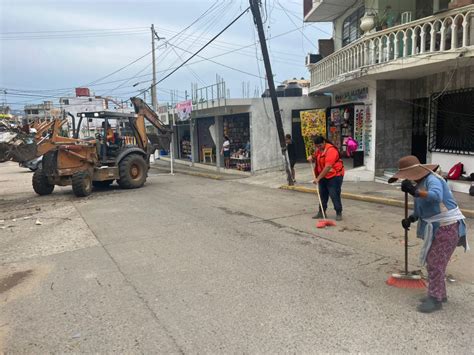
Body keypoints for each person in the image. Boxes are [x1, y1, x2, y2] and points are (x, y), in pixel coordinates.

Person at [389, 155, 467, 313]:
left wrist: (415, 192)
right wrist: (411, 218)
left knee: (435, 263)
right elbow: (421, 207)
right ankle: (439, 294)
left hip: (448, 226)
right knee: (436, 263)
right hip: (439, 227)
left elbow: (435, 196)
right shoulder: (420, 182)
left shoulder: (433, 180)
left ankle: (435, 299)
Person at [307, 135, 345, 221]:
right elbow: (315, 156)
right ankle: (321, 212)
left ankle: (339, 212)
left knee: (334, 194)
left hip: (335, 176)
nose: (318, 148)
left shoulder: (331, 150)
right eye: (317, 146)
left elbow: (328, 167)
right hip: (323, 176)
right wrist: (311, 158)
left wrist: (318, 178)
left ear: (324, 142)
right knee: (322, 195)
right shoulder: (319, 150)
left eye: (320, 145)